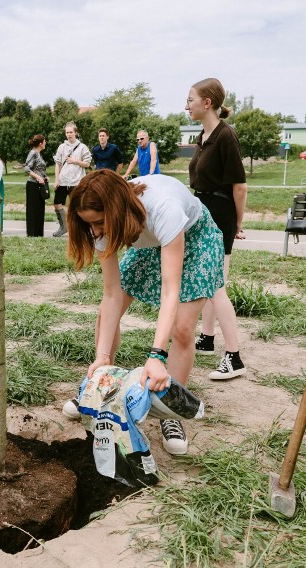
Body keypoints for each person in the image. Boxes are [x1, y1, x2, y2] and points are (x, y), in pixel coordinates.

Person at [63, 170, 224, 455]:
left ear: (116, 210)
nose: (95, 232)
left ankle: (170, 410)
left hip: (193, 237)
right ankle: (101, 386)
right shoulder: (101, 227)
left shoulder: (165, 208)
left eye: (99, 223)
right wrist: (101, 357)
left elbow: (169, 291)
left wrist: (156, 356)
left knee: (183, 328)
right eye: (90, 225)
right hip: (142, 236)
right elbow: (112, 294)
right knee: (106, 314)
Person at [186, 78, 248, 380]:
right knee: (211, 281)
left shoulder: (226, 136)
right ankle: (207, 339)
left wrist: (237, 224)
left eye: (191, 100)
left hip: (220, 214)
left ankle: (234, 357)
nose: (187, 105)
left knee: (216, 285)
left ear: (207, 102)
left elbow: (240, 187)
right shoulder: (204, 135)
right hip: (203, 211)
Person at [52, 122, 91, 237]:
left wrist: (75, 161)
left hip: (77, 181)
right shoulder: (62, 147)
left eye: (71, 132)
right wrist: (57, 179)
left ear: (75, 133)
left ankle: (80, 230)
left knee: (76, 206)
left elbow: (87, 164)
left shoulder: (82, 147)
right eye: (67, 132)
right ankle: (64, 227)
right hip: (63, 181)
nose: (69, 134)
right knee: (57, 203)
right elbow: (57, 164)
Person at [23, 134, 48, 237]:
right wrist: (38, 177)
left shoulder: (38, 154)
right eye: (45, 141)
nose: (46, 143)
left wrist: (44, 177)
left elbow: (38, 168)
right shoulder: (33, 153)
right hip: (33, 185)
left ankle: (38, 234)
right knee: (33, 210)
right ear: (41, 143)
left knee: (39, 209)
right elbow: (27, 169)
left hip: (39, 185)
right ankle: (32, 234)